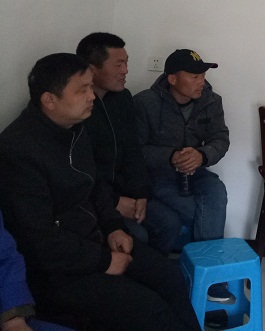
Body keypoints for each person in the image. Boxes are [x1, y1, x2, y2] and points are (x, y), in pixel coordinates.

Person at [0, 53, 199, 331]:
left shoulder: (75, 129)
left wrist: (114, 227)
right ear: (50, 100)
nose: (92, 96)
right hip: (56, 273)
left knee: (169, 276)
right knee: (150, 310)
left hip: (95, 242)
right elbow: (39, 239)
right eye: (82, 90)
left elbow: (95, 185)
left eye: (90, 87)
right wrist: (104, 260)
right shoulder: (18, 151)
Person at [133, 49, 231, 303]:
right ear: (172, 79)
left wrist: (202, 155)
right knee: (200, 213)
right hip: (160, 176)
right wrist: (170, 156)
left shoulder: (211, 101)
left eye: (203, 76)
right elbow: (135, 150)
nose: (202, 82)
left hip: (196, 171)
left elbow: (220, 139)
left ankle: (204, 276)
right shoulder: (145, 103)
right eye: (194, 76)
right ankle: (209, 278)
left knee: (216, 192)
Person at [76, 32, 152, 246]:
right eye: (119, 65)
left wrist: (141, 193)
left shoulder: (122, 98)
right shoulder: (75, 110)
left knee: (168, 224)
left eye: (126, 63)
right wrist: (114, 201)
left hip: (125, 191)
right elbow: (81, 169)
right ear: (92, 69)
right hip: (95, 199)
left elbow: (133, 150)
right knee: (139, 235)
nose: (125, 70)